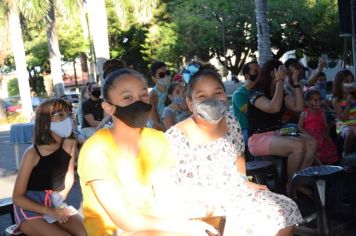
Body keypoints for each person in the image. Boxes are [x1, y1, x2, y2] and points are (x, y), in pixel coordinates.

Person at [165, 64, 302, 236]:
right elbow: (171, 186)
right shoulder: (176, 136)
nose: (211, 100)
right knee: (251, 223)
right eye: (202, 96)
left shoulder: (230, 121)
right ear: (190, 103)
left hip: (233, 191)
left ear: (225, 96)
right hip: (201, 203)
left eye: (217, 93)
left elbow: (238, 156)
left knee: (284, 206)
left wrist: (244, 181)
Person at [77, 68, 218, 236]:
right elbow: (123, 219)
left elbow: (166, 194)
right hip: (113, 230)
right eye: (127, 97)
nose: (138, 102)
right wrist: (183, 227)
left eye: (143, 95)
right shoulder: (96, 149)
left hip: (153, 222)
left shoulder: (157, 139)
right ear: (108, 107)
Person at [12, 98, 87, 236]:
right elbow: (17, 197)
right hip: (30, 208)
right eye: (60, 115)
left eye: (69, 114)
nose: (68, 119)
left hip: (55, 203)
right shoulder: (32, 153)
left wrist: (58, 202)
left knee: (86, 233)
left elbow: (68, 177)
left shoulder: (70, 142)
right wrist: (50, 211)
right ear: (45, 121)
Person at [247, 59, 317, 190]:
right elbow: (273, 107)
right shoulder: (255, 92)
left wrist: (296, 83)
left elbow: (299, 107)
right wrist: (279, 82)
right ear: (272, 73)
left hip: (277, 133)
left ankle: (298, 181)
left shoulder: (280, 92)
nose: (285, 74)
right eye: (281, 71)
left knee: (312, 142)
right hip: (258, 138)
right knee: (298, 146)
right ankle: (290, 185)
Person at [298, 89, 339, 164]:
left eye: (320, 99)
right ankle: (321, 165)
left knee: (330, 146)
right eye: (315, 100)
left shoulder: (321, 112)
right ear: (308, 102)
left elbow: (326, 126)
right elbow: (300, 127)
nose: (319, 102)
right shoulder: (304, 113)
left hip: (321, 135)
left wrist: (327, 134)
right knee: (314, 148)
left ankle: (329, 164)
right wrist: (307, 135)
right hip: (310, 135)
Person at [232, 61, 260, 143]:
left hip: (259, 128)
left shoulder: (259, 90)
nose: (260, 73)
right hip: (246, 130)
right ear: (247, 76)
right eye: (256, 71)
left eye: (260, 70)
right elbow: (252, 114)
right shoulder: (239, 94)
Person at [332, 69, 356, 156]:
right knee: (349, 132)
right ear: (339, 84)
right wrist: (348, 104)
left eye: (351, 81)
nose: (349, 84)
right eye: (346, 81)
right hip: (344, 125)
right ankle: (346, 155)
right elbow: (343, 118)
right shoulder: (336, 100)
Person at [148, 61, 171, 131]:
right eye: (161, 75)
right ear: (154, 78)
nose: (166, 76)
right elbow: (155, 123)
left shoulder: (172, 88)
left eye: (167, 73)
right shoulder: (153, 95)